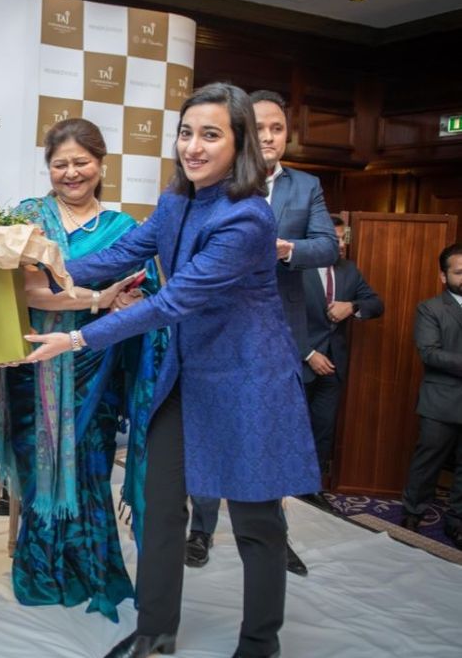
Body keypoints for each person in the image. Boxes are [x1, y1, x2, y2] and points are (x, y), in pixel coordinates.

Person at [25, 83, 320, 658]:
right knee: (160, 507)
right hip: (186, 376)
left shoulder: (249, 218)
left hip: (247, 381)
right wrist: (33, 262)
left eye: (211, 134)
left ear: (240, 145)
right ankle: (156, 632)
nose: (193, 146)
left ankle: (261, 643)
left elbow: (171, 302)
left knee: (257, 522)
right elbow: (122, 253)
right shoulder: (176, 201)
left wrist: (78, 335)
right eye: (186, 132)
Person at [0, 118, 167, 622]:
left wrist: (127, 300)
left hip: (98, 363)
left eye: (80, 162)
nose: (70, 173)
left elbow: (145, 297)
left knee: (90, 468)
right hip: (34, 362)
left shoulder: (124, 230)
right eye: (59, 163)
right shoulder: (28, 217)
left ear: (101, 164)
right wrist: (97, 297)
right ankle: (41, 573)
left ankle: (92, 570)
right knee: (40, 465)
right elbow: (26, 290)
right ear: (48, 167)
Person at [185, 89, 337, 575]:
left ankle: (273, 538)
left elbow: (328, 247)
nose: (269, 137)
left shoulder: (305, 186)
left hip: (279, 329)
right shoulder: (207, 184)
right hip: (216, 327)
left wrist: (282, 248)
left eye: (278, 129)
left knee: (266, 441)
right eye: (260, 127)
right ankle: (201, 530)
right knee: (210, 433)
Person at [301, 215, 384, 491]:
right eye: (334, 239)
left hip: (334, 368)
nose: (340, 244)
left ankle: (312, 491)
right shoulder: (294, 269)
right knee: (290, 431)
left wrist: (352, 306)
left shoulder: (349, 270)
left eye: (342, 238)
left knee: (323, 431)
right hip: (297, 365)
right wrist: (309, 354)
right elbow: (277, 318)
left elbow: (375, 303)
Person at [400, 242, 462, 549]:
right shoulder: (430, 308)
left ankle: (457, 521)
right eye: (459, 272)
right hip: (441, 402)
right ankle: (413, 514)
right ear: (443, 276)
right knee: (428, 461)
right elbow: (430, 353)